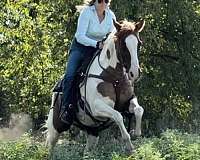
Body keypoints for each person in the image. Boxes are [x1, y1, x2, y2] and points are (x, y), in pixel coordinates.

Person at [60, 0, 116, 126]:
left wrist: (104, 45)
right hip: (80, 48)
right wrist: (97, 44)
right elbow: (80, 36)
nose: (104, 3)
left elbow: (112, 37)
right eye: (101, 0)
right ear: (95, 1)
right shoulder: (86, 13)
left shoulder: (111, 16)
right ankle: (66, 108)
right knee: (70, 75)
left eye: (107, 0)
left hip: (99, 50)